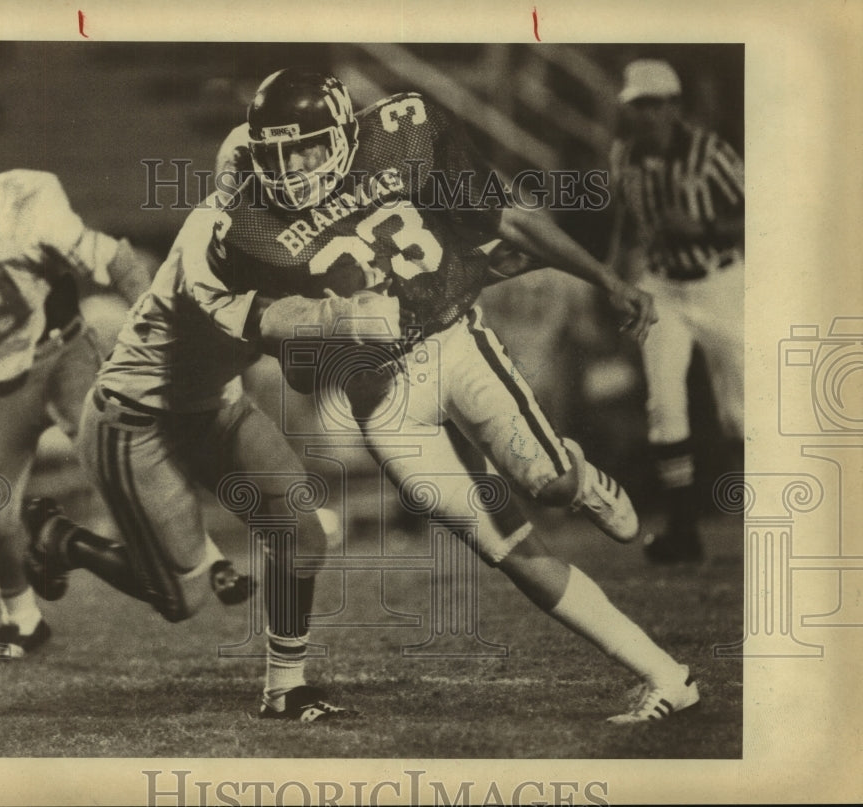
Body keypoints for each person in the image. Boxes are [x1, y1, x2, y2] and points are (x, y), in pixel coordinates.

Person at [185, 67, 700, 723]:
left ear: (344, 131)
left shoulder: (405, 132)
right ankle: (668, 676)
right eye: (275, 155)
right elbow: (297, 370)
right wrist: (331, 338)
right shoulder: (247, 230)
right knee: (509, 550)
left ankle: (574, 475)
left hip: (455, 342)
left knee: (546, 485)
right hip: (385, 406)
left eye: (306, 149)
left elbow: (506, 217)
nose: (290, 170)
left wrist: (605, 279)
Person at [20, 174, 353, 722]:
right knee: (181, 599)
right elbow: (278, 331)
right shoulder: (217, 242)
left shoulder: (285, 225)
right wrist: (361, 314)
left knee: (302, 533)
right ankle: (63, 540)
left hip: (214, 406)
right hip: (137, 419)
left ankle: (285, 690)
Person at [0, 148, 200, 659]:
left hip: (64, 350)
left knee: (129, 467)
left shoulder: (19, 202)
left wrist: (155, 324)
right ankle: (24, 621)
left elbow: (115, 258)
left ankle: (166, 553)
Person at [607, 59, 744, 564]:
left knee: (740, 414)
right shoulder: (624, 154)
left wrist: (703, 230)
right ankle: (683, 530)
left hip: (721, 281)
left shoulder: (710, 154)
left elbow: (760, 217)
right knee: (664, 405)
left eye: (651, 105)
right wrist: (613, 276)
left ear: (673, 106)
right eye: (636, 106)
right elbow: (623, 221)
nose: (643, 116)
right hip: (662, 285)